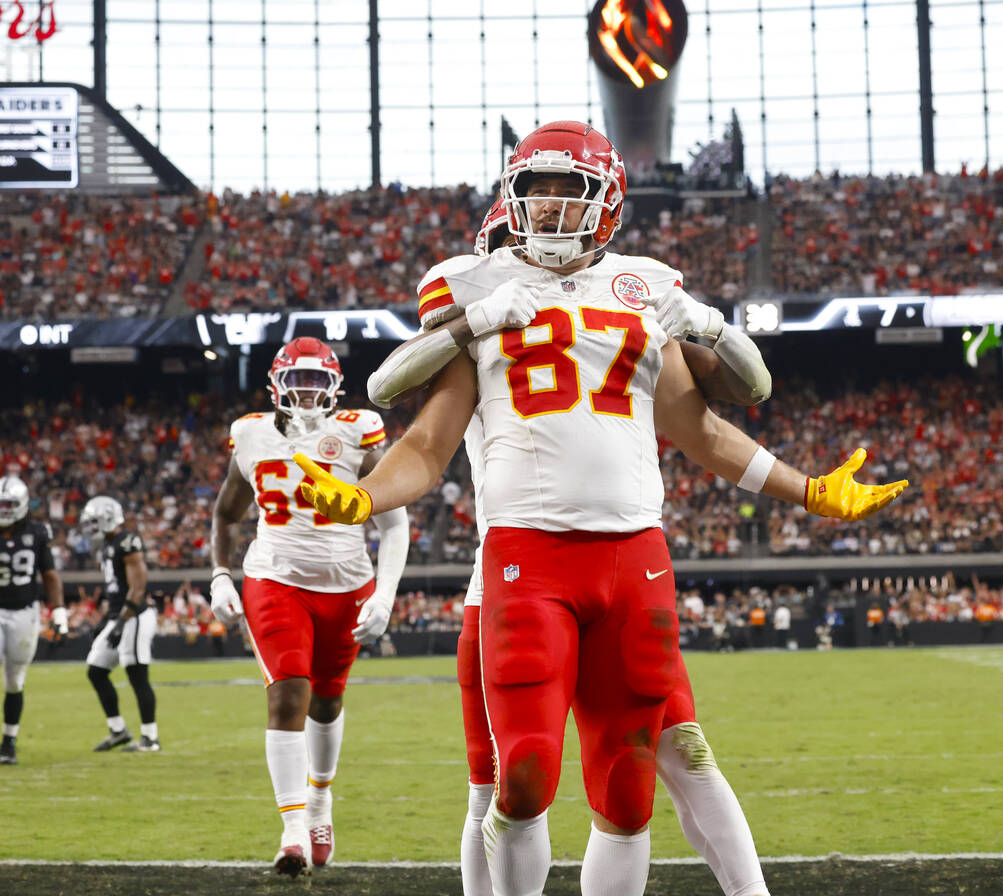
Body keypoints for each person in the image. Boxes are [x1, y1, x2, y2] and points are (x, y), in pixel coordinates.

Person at [298, 121, 907, 896]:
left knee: (628, 792)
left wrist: (809, 489)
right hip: (528, 556)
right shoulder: (473, 286)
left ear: (608, 199)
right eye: (535, 189)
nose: (549, 206)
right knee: (521, 779)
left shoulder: (646, 283)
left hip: (635, 559)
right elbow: (425, 443)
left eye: (568, 188)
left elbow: (702, 430)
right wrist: (362, 494)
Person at [374, 196, 782, 896]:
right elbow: (399, 401)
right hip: (513, 567)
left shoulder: (624, 293)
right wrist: (476, 316)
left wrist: (708, 329)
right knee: (504, 782)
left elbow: (721, 411)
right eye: (513, 236)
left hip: (624, 559)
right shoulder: (478, 305)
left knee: (669, 759)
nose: (534, 247)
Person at [209, 336, 409, 878]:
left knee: (326, 701)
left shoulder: (356, 429)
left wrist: (386, 593)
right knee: (287, 696)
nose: (304, 393)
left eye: (315, 382)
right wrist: (221, 575)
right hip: (275, 579)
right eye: (295, 382)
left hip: (347, 583)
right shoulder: (250, 434)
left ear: (334, 387)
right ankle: (293, 830)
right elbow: (227, 513)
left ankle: (320, 800)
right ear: (276, 385)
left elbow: (393, 520)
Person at [80, 495, 160, 754]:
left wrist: (119, 624)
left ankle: (150, 737)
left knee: (137, 675)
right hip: (118, 617)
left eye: (94, 522)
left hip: (135, 616)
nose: (90, 527)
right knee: (96, 671)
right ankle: (118, 731)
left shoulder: (127, 542)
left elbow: (137, 589)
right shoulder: (108, 545)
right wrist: (108, 621)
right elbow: (115, 590)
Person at [0, 476, 67, 764]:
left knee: (15, 681)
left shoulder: (37, 533)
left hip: (25, 613)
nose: (3, 510)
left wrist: (59, 610)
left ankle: (9, 742)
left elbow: (49, 575)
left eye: (9, 504)